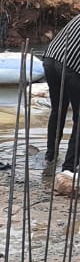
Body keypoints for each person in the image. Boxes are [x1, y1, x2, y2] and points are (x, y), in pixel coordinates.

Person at [42, 12, 80, 172]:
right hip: (71, 66)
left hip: (50, 58)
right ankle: (69, 168)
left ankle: (50, 157)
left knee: (58, 111)